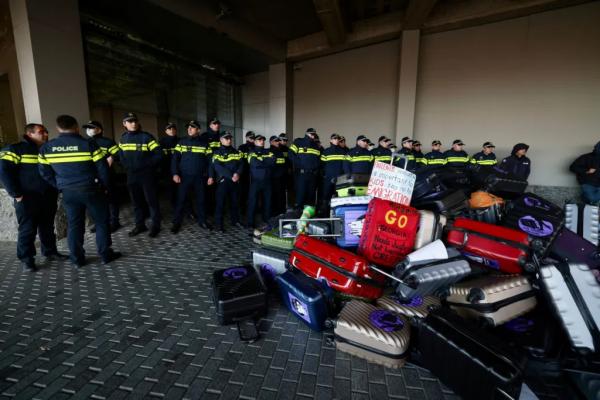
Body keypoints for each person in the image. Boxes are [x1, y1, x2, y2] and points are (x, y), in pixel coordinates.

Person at [38, 115, 120, 268]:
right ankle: (105, 255)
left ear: (58, 128)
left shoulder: (47, 148)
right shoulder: (88, 144)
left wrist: (59, 185)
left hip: (68, 192)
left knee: (74, 225)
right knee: (102, 222)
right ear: (76, 127)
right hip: (92, 189)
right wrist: (104, 187)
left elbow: (44, 173)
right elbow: (102, 169)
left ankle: (77, 259)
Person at [0, 123, 68, 272]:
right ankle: (27, 259)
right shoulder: (15, 149)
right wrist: (16, 194)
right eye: (41, 132)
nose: (45, 134)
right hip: (27, 198)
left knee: (47, 227)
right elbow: (4, 173)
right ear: (30, 134)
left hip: (48, 196)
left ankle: (50, 252)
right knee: (27, 229)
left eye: (46, 131)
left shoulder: (48, 149)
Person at [118, 112, 163, 238]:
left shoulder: (146, 137)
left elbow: (159, 155)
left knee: (151, 201)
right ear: (124, 124)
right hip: (131, 175)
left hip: (146, 175)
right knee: (136, 202)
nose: (133, 123)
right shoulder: (123, 139)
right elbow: (121, 156)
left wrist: (145, 165)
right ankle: (140, 225)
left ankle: (156, 226)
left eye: (135, 121)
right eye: (130, 121)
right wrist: (126, 166)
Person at [170, 120, 212, 234]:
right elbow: (175, 160)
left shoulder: (204, 143)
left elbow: (210, 161)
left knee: (201, 200)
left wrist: (210, 176)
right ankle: (176, 222)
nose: (189, 129)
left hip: (200, 177)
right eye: (188, 127)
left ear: (198, 130)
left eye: (192, 127)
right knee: (181, 200)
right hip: (184, 177)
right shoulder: (181, 142)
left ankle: (202, 221)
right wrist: (175, 173)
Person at [83, 120, 122, 232]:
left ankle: (114, 222)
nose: (89, 130)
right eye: (88, 128)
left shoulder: (107, 142)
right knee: (97, 201)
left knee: (111, 199)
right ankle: (99, 223)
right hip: (92, 176)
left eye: (92, 127)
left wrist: (113, 157)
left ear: (99, 129)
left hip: (107, 175)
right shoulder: (85, 143)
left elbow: (119, 154)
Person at [210, 131, 244, 232]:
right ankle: (219, 225)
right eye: (226, 138)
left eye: (230, 138)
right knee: (220, 203)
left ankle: (236, 221)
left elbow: (241, 164)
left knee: (235, 202)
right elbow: (217, 166)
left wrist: (237, 173)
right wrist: (231, 176)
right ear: (221, 140)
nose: (229, 140)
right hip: (223, 181)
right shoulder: (217, 152)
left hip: (235, 181)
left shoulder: (236, 152)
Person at [246, 135, 275, 228]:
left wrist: (262, 161)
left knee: (268, 202)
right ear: (255, 142)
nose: (262, 141)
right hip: (256, 181)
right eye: (259, 140)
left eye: (263, 140)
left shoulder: (269, 152)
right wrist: (266, 161)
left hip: (267, 181)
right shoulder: (251, 152)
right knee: (252, 202)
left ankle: (267, 220)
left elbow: (273, 161)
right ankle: (250, 222)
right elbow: (254, 163)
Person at [289, 128, 321, 209]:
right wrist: (299, 164)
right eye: (311, 134)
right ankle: (298, 214)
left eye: (314, 134)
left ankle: (308, 216)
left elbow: (318, 159)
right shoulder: (298, 142)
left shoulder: (315, 145)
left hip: (312, 174)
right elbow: (290, 154)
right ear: (307, 134)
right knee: (300, 195)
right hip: (301, 174)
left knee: (310, 196)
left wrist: (316, 168)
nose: (313, 136)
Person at [319, 134, 346, 214]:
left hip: (340, 179)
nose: (336, 140)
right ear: (331, 140)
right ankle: (325, 215)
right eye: (334, 139)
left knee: (339, 198)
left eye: (338, 139)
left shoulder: (343, 152)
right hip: (328, 178)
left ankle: (339, 215)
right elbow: (321, 165)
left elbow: (345, 165)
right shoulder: (326, 152)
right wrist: (324, 175)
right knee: (326, 197)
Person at [159, 122, 179, 211]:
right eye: (169, 129)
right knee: (171, 190)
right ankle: (174, 207)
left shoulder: (180, 141)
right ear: (166, 131)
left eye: (173, 128)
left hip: (179, 169)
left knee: (182, 190)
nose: (171, 130)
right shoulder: (161, 142)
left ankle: (185, 209)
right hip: (167, 170)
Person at [238, 131, 256, 213]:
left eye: (253, 138)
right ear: (246, 138)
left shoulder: (256, 147)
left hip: (254, 173)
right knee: (243, 192)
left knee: (253, 192)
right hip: (244, 173)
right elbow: (239, 161)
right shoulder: (241, 147)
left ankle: (253, 208)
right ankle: (243, 208)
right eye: (250, 138)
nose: (252, 140)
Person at [269, 136, 287, 216]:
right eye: (276, 141)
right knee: (275, 195)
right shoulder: (269, 151)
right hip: (274, 177)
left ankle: (281, 210)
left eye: (278, 141)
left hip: (281, 176)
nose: (278, 142)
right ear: (271, 142)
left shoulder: (279, 150)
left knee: (281, 194)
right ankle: (275, 212)